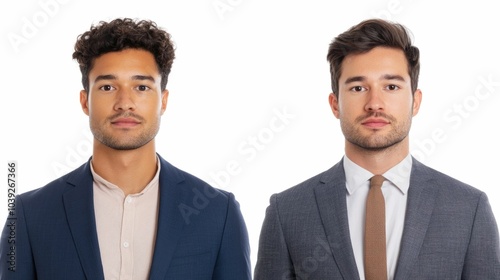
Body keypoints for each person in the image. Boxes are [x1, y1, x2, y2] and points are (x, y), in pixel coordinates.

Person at [0, 18, 251, 280]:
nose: (124, 103)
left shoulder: (218, 213)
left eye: (141, 87)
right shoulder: (29, 215)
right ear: (85, 101)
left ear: (163, 101)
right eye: (107, 87)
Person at [254, 18, 500, 279]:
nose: (374, 103)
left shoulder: (468, 208)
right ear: (335, 104)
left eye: (391, 87)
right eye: (358, 88)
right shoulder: (287, 211)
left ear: (415, 102)